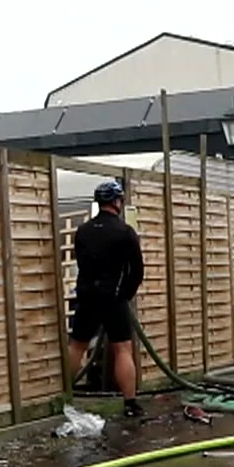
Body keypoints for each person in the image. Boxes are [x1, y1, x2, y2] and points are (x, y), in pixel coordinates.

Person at [69, 179, 146, 418]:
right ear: (116, 202)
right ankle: (130, 403)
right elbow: (137, 270)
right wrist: (125, 294)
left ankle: (63, 394)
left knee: (77, 346)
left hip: (87, 295)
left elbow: (81, 262)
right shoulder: (125, 232)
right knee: (122, 349)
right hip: (113, 296)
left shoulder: (82, 231)